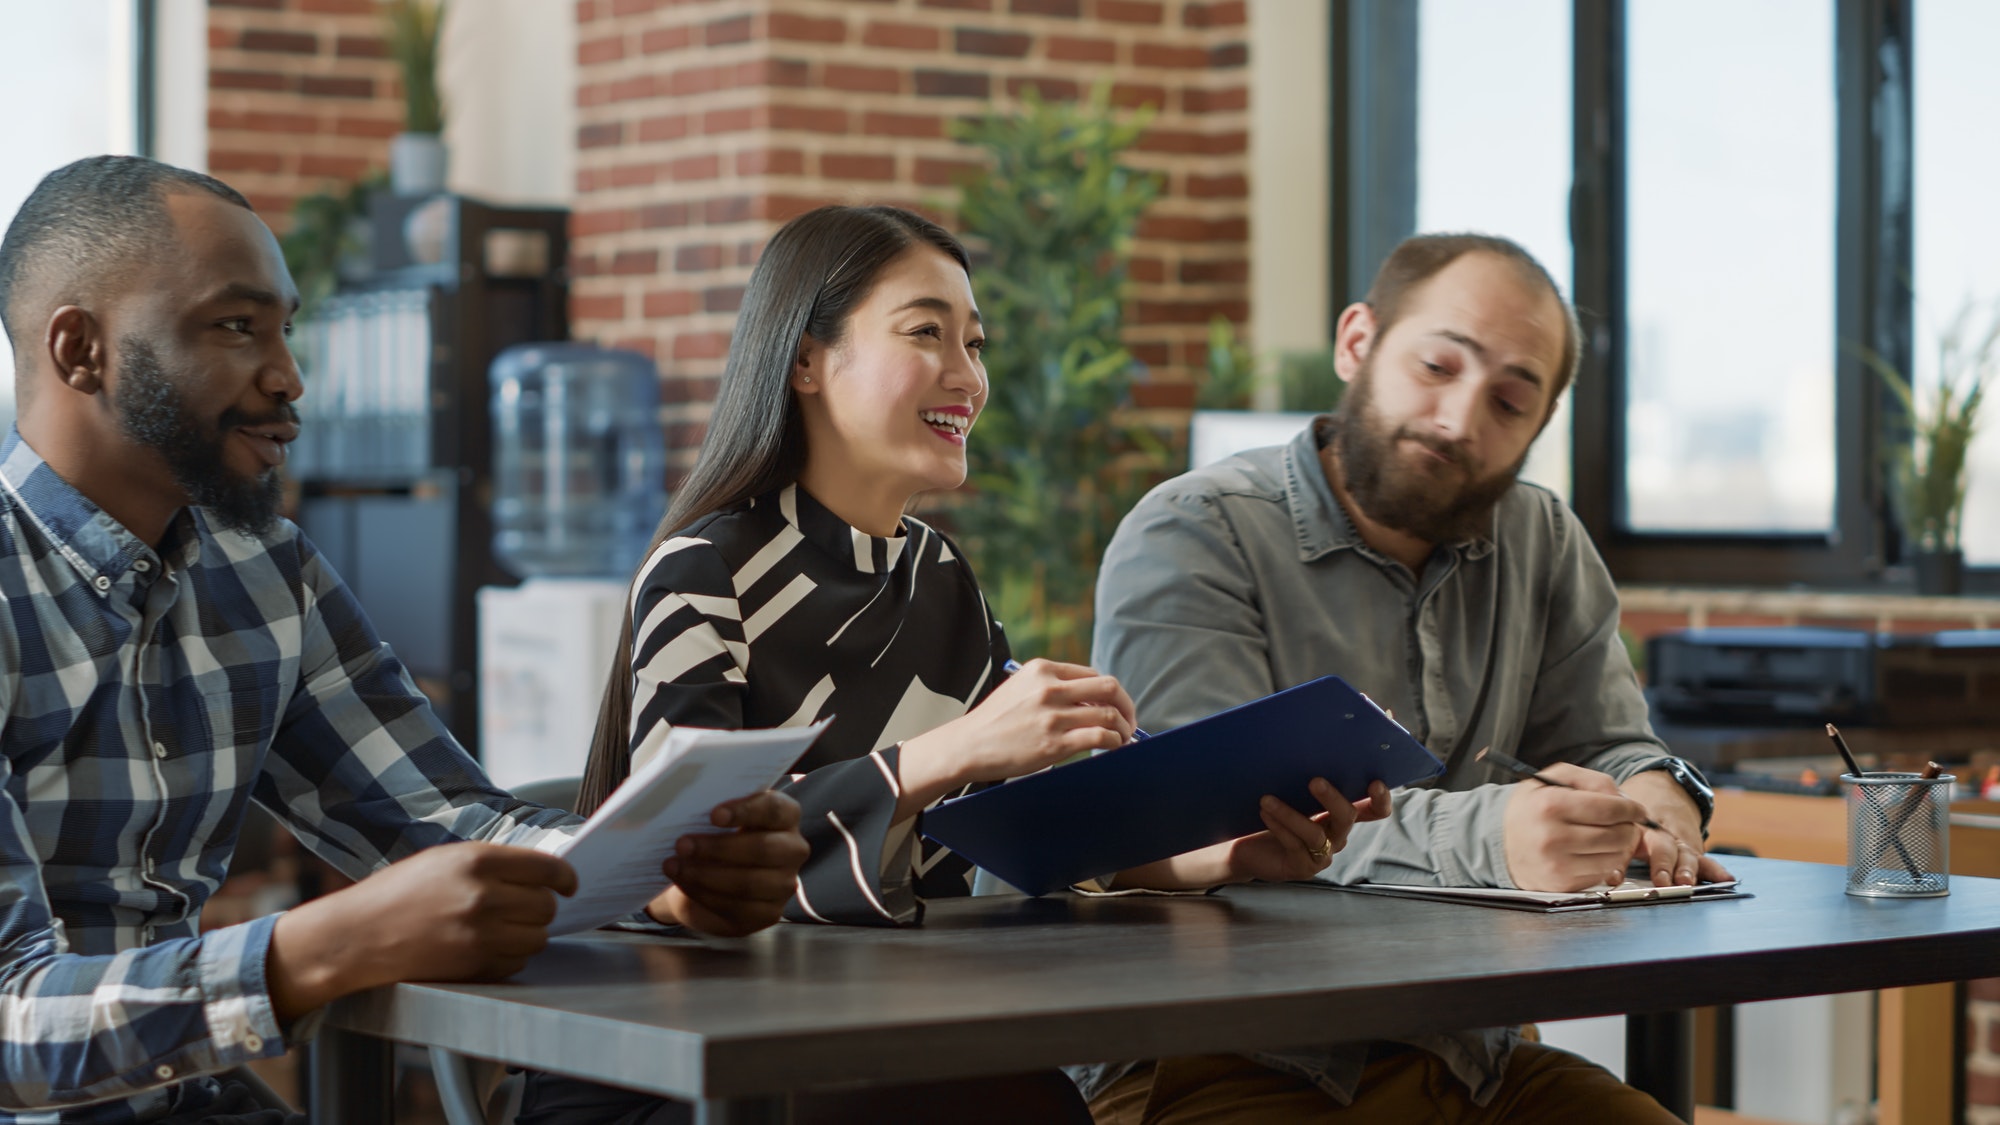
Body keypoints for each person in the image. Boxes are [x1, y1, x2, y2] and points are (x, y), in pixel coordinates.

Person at [0, 155, 810, 1125]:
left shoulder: (265, 572)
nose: (288, 378)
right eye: (234, 327)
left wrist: (659, 876)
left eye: (284, 331)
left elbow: (447, 820)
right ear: (79, 349)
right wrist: (321, 947)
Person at [546, 204, 1389, 1124]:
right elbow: (688, 852)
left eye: (975, 343)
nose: (967, 375)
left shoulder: (938, 577)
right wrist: (951, 751)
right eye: (926, 333)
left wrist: (1221, 854)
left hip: (874, 1032)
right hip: (683, 1060)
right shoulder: (700, 571)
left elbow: (1027, 833)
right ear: (806, 361)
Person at [1083, 233, 1727, 1123]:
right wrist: (1498, 835)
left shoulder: (1541, 541)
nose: (1461, 420)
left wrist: (1656, 806)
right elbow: (1200, 819)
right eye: (1436, 365)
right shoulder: (1196, 532)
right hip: (1222, 1050)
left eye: (1508, 401)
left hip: (1471, 1055)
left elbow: (1611, 744)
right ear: (1358, 342)